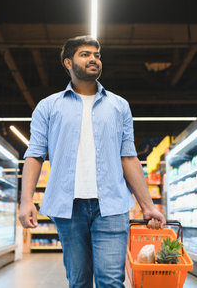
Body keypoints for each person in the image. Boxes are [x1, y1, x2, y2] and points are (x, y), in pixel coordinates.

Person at [19, 35, 166, 288]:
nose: (93, 59)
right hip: (68, 207)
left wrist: (148, 206)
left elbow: (129, 157)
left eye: (97, 55)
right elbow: (34, 155)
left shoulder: (119, 106)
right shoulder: (48, 106)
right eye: (85, 54)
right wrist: (26, 201)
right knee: (79, 281)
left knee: (111, 281)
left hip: (111, 206)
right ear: (68, 62)